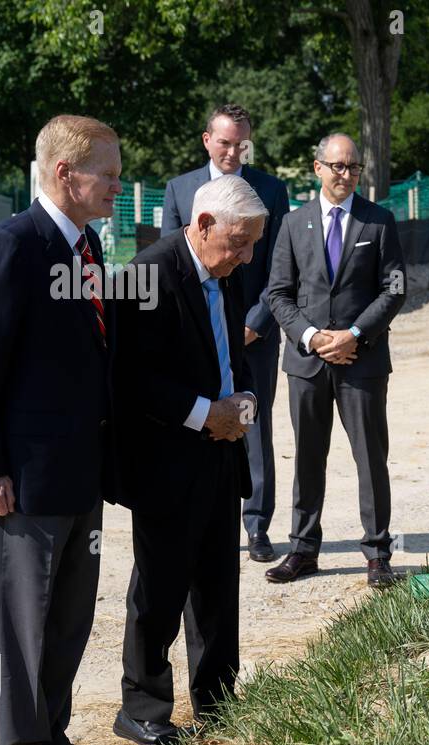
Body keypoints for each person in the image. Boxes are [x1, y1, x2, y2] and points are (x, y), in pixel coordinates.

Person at [0, 114, 123, 745]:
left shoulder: (88, 249)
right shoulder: (12, 247)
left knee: (68, 616)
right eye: (107, 176)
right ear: (65, 173)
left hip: (79, 471)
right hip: (23, 477)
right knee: (26, 620)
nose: (117, 186)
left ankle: (53, 735)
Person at [111, 174, 266, 745]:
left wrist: (244, 404)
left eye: (252, 243)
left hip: (222, 454)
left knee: (218, 586)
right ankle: (142, 708)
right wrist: (206, 414)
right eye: (239, 243)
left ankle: (218, 702)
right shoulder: (145, 276)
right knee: (161, 588)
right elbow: (129, 380)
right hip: (167, 460)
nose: (246, 256)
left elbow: (233, 357)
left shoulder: (226, 269)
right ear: (202, 226)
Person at [265, 133, 407, 589]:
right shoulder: (292, 223)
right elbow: (278, 293)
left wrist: (355, 335)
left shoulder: (379, 222)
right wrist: (309, 336)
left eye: (353, 167)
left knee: (370, 457)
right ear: (317, 168)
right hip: (307, 363)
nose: (345, 174)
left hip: (361, 362)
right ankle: (303, 550)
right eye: (337, 166)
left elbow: (395, 288)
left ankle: (378, 554)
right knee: (308, 457)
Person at [162, 104, 290, 564]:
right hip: (196, 334)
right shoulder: (179, 189)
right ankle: (204, 512)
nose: (234, 150)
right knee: (200, 417)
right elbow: (169, 264)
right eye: (226, 142)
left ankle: (256, 524)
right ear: (207, 141)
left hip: (254, 331)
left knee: (253, 422)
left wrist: (253, 324)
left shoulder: (273, 190)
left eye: (242, 143)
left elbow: (278, 264)